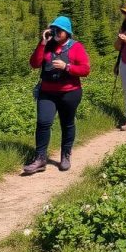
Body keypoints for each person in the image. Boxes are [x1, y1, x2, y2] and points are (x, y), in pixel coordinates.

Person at [25, 16, 91, 175]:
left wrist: (67, 67)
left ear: (67, 32)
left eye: (59, 30)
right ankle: (40, 159)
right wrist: (42, 43)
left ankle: (65, 155)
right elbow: (34, 64)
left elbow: (85, 69)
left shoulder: (76, 47)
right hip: (47, 92)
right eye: (53, 30)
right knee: (43, 122)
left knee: (67, 123)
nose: (55, 33)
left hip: (70, 92)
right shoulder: (47, 46)